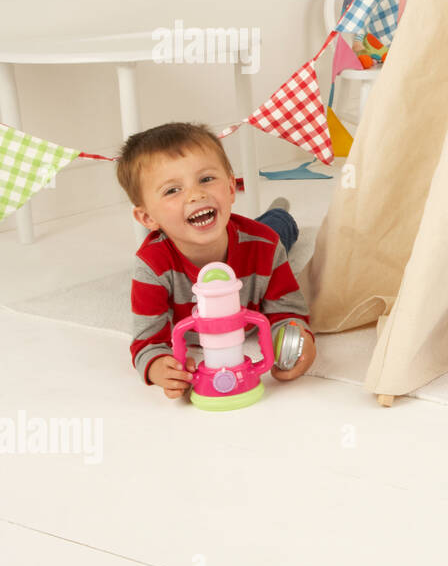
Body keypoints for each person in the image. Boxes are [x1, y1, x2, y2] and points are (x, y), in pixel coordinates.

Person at [116, 122, 315, 395]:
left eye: (206, 179)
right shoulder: (152, 267)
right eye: (173, 190)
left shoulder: (265, 245)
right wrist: (157, 366)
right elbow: (147, 341)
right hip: (234, 233)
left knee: (278, 226)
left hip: (258, 233)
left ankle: (279, 211)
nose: (196, 194)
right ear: (148, 218)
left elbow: (288, 311)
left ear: (231, 188)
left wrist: (296, 340)